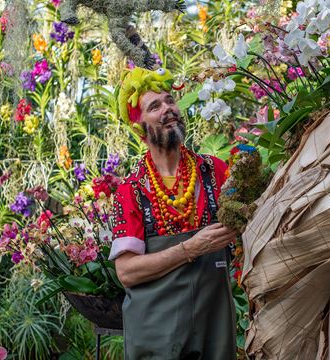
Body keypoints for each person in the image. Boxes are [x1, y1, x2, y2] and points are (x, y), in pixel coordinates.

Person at [110, 66, 238, 360]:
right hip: (156, 333)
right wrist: (192, 248)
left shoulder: (215, 171)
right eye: (155, 106)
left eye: (170, 101)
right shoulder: (131, 191)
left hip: (213, 326)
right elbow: (127, 272)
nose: (168, 109)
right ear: (139, 128)